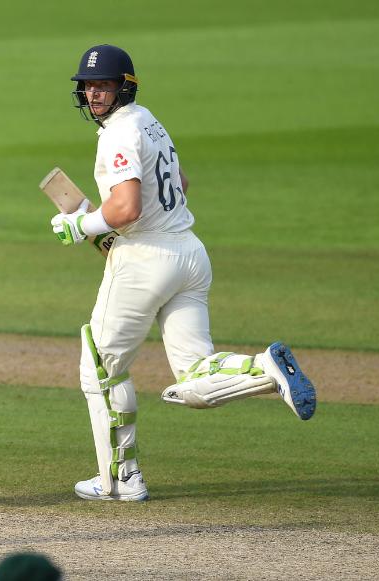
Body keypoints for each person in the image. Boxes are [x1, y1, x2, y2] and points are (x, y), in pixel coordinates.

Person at [50, 45, 317, 502]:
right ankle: (263, 368)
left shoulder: (117, 133)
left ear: (124, 87)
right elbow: (182, 184)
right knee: (194, 373)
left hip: (144, 259)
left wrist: (81, 224)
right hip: (190, 255)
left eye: (103, 86)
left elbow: (127, 207)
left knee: (102, 370)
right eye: (89, 86)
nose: (94, 94)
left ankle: (122, 480)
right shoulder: (150, 120)